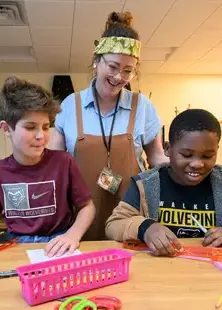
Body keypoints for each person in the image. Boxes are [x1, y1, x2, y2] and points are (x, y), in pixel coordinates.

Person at [50, 11, 167, 240]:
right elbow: (51, 161)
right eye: (113, 66)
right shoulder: (70, 105)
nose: (118, 77)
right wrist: (16, 167)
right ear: (96, 61)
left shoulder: (142, 106)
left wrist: (190, 164)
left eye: (128, 70)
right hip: (81, 213)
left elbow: (157, 160)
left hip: (131, 213)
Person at [0, 75, 95, 257]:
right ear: (6, 128)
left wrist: (72, 235)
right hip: (16, 245)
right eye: (30, 127)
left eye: (45, 126)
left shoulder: (64, 162)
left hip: (58, 243)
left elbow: (87, 207)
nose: (41, 136)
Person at [105, 109, 222, 256]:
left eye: (207, 156)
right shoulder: (144, 184)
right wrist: (145, 228)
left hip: (211, 273)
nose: (197, 164)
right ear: (167, 149)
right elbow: (113, 225)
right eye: (186, 155)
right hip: (160, 271)